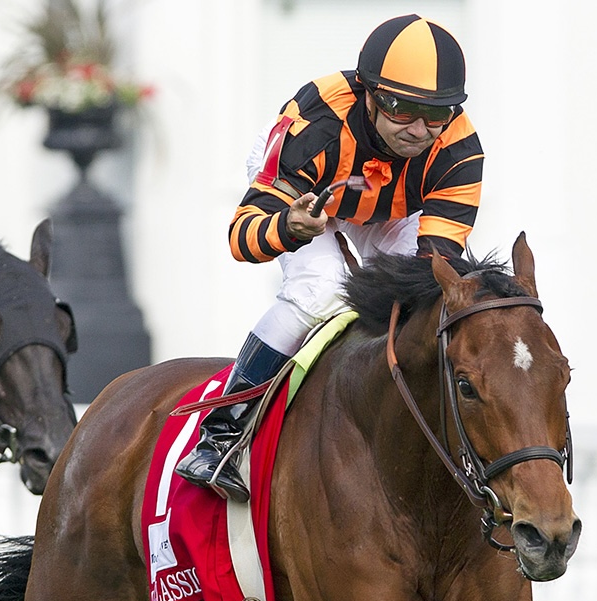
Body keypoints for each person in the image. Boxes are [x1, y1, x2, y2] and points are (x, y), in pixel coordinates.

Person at [176, 13, 483, 503]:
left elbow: (434, 270)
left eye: (436, 114)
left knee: (422, 304)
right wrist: (288, 226)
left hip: (391, 208)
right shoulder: (315, 128)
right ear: (369, 94)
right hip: (310, 195)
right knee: (318, 290)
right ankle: (220, 434)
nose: (419, 129)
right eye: (402, 108)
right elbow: (241, 239)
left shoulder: (460, 151)